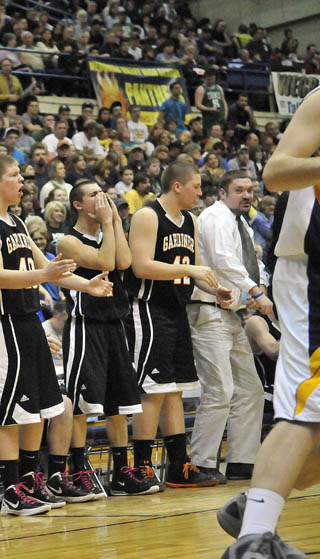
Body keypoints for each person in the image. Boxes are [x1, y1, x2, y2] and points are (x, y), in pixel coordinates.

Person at [0, 155, 113, 515]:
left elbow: (48, 269)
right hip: (1, 322)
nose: (22, 181)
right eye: (14, 176)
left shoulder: (14, 221)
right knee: (11, 412)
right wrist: (45, 276)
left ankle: (31, 480)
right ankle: (11, 490)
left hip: (27, 319)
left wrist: (86, 286)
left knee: (40, 408)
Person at [219, 86, 320, 559]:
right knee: (309, 408)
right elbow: (275, 173)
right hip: (310, 268)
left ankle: (257, 500)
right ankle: (253, 538)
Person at [123, 160, 233, 490]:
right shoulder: (147, 215)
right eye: (196, 186)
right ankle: (141, 465)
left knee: (174, 390)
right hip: (147, 309)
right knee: (153, 391)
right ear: (177, 186)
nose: (200, 193)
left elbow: (194, 268)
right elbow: (141, 266)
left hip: (176, 310)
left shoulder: (191, 221)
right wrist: (193, 272)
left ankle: (178, 466)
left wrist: (214, 289)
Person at [57, 180, 156, 497]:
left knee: (119, 403)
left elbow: (125, 263)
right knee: (81, 406)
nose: (102, 198)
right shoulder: (68, 241)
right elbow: (105, 262)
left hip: (115, 324)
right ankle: (79, 469)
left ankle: (121, 472)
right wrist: (110, 224)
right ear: (77, 205)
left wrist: (113, 221)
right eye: (93, 195)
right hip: (85, 325)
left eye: (104, 193)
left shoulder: (110, 231)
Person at [187, 170, 268, 483]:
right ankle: (201, 463)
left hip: (231, 314)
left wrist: (256, 289)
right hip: (208, 312)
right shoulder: (216, 217)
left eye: (249, 190)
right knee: (219, 389)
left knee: (251, 389)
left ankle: (241, 460)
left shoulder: (241, 222)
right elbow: (223, 262)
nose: (246, 195)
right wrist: (255, 291)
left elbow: (246, 263)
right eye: (239, 190)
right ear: (221, 192)